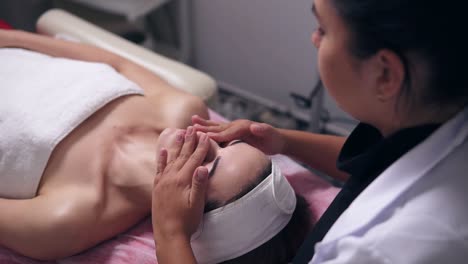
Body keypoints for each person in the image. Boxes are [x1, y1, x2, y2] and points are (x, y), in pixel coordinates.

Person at [151, 0, 468, 263]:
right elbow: (383, 168)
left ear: (385, 75)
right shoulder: (443, 119)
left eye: (324, 30)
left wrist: (169, 231)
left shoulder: (385, 250)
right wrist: (285, 140)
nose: (314, 39)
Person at [0, 29, 311, 263]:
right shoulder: (181, 109)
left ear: (189, 218)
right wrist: (12, 38)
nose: (203, 138)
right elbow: (114, 62)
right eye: (227, 142)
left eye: (207, 166)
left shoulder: (67, 219)